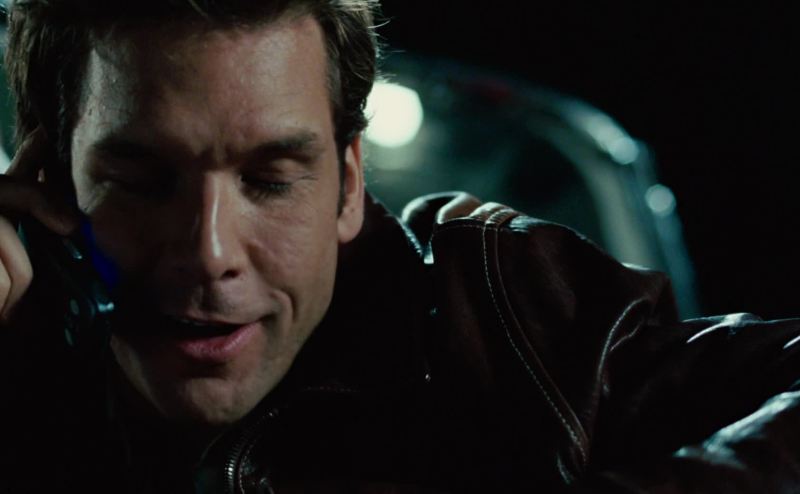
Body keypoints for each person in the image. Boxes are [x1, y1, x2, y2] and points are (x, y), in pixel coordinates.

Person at [2, 1, 800, 493]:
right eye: (143, 182)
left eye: (271, 180)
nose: (210, 253)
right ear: (44, 174)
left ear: (349, 183)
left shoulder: (494, 310)